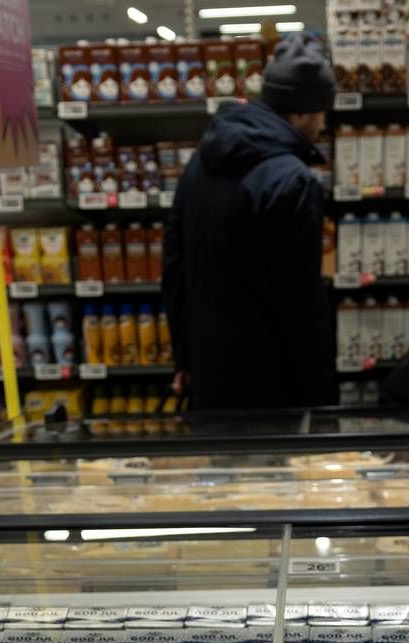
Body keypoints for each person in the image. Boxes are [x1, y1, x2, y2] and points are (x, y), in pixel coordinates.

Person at [162, 33, 337, 410]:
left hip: (210, 378)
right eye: (322, 112)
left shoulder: (200, 162)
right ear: (300, 113)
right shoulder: (293, 181)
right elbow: (301, 303)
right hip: (273, 388)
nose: (323, 124)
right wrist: (322, 398)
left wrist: (184, 357)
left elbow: (175, 266)